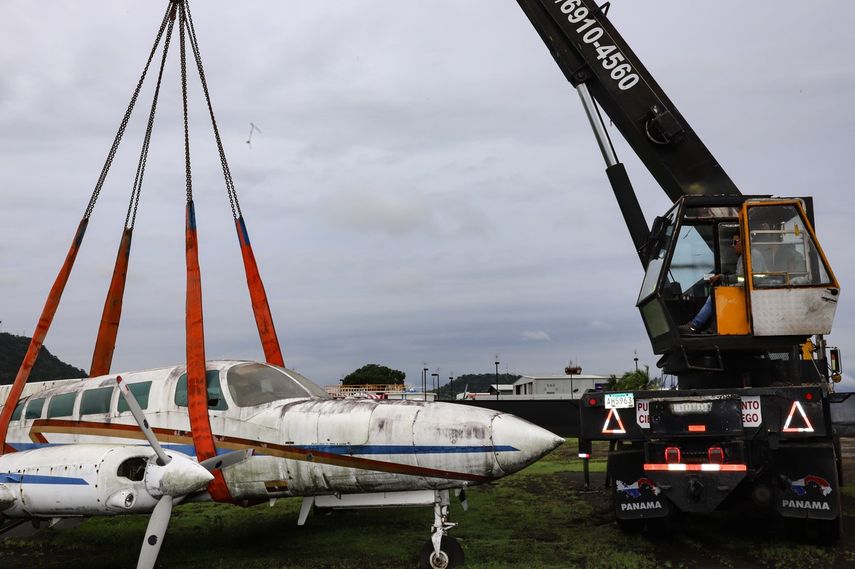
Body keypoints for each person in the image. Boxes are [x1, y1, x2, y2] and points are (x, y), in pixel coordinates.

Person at [679, 235, 747, 334]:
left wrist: (722, 277)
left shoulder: (751, 256)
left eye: (735, 242)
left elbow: (744, 279)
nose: (732, 246)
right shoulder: (742, 258)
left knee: (716, 295)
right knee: (717, 292)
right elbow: (741, 277)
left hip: (745, 293)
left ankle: (695, 325)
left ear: (744, 241)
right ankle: (712, 326)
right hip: (741, 290)